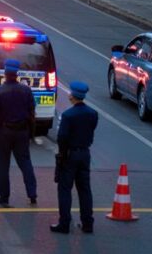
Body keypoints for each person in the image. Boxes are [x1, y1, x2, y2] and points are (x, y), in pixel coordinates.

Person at [51, 81, 98, 235]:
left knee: (65, 189)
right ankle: (87, 223)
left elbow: (62, 137)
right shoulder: (92, 113)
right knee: (84, 189)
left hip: (70, 155)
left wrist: (62, 156)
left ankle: (64, 223)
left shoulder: (68, 115)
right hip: (85, 153)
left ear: (73, 96)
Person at [0, 59, 37, 207]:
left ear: (5, 73)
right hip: (22, 131)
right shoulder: (26, 90)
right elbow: (32, 112)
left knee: (3, 165)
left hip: (4, 131)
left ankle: (4, 196)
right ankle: (32, 194)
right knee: (25, 162)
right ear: (16, 74)